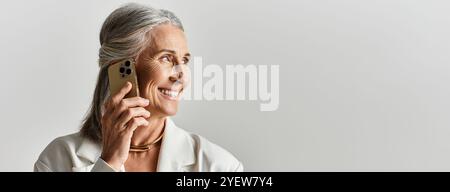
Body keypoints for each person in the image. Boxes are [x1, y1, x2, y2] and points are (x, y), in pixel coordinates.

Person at [34, 3, 243, 172]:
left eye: (184, 61)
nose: (181, 74)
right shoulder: (58, 159)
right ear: (122, 68)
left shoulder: (220, 166)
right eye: (166, 58)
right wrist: (109, 163)